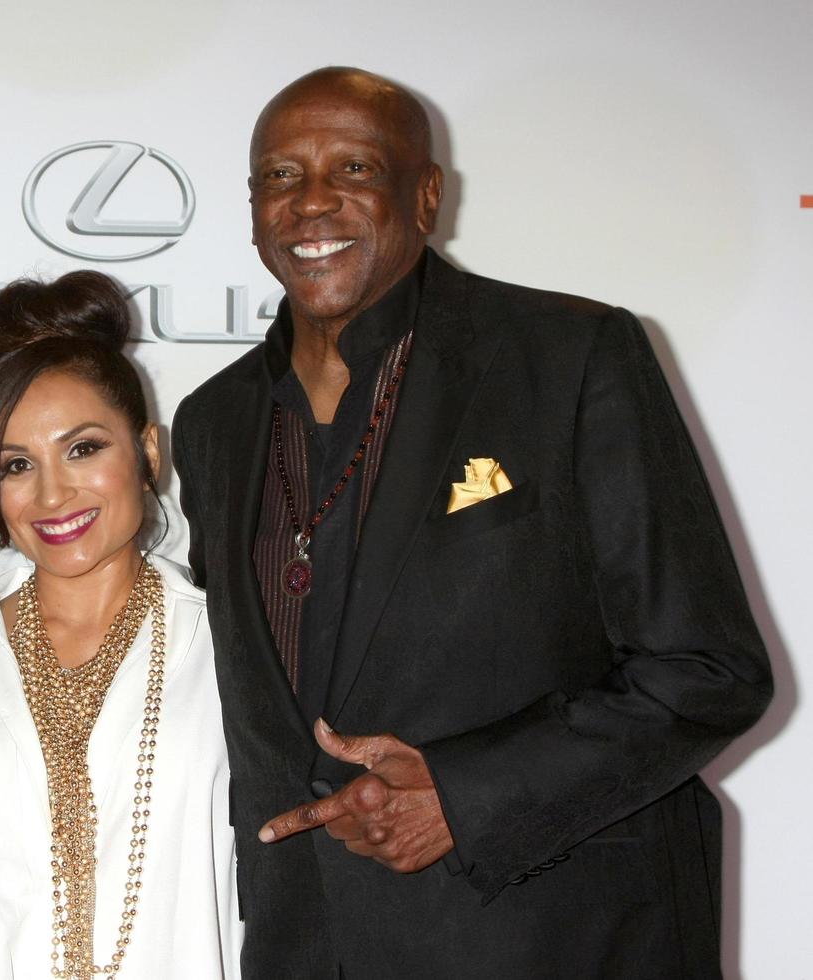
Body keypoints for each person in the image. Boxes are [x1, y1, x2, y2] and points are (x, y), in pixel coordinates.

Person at [172, 67, 772, 979]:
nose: (312, 202)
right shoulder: (214, 423)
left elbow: (708, 671)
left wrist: (466, 796)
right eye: (281, 177)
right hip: (306, 945)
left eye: (356, 170)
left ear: (426, 194)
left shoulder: (569, 358)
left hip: (547, 935)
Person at [0, 271, 242, 979]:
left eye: (84, 448)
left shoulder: (236, 657)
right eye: (16, 464)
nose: (52, 493)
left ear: (149, 453)